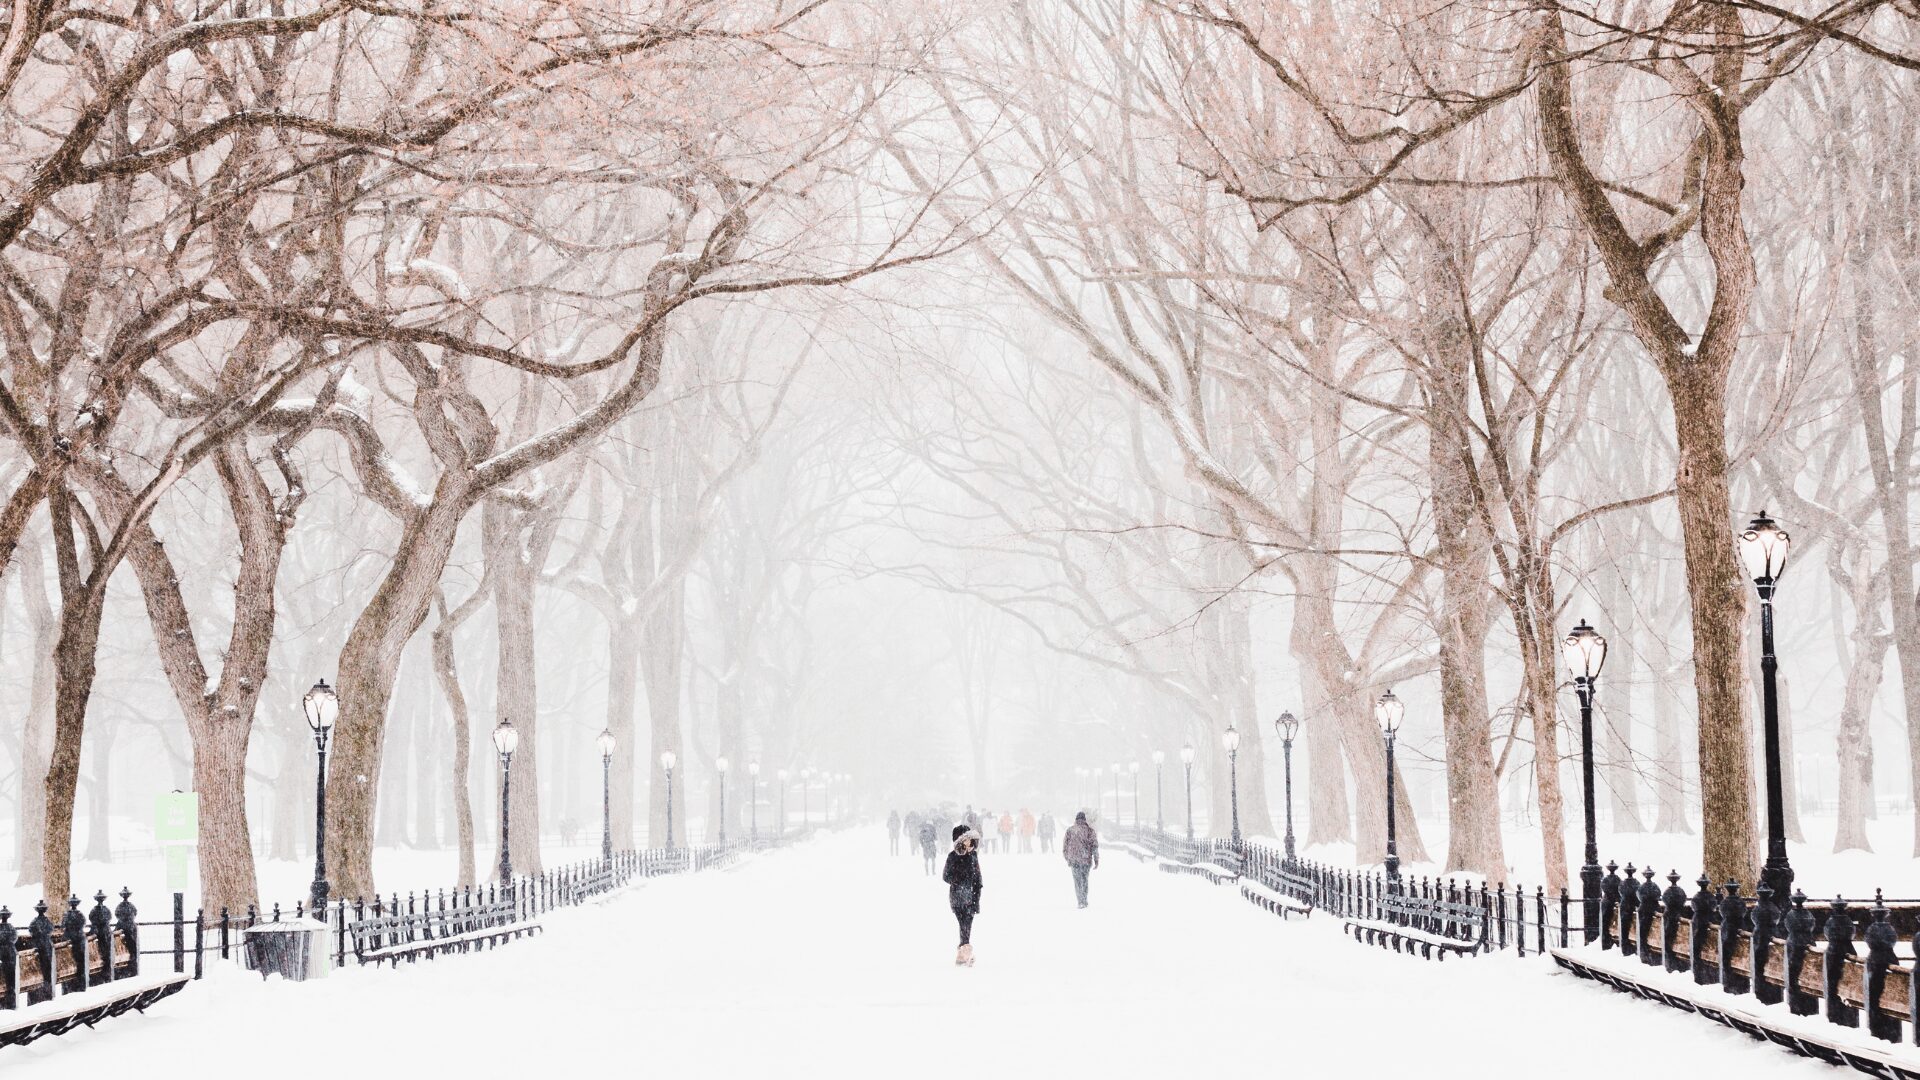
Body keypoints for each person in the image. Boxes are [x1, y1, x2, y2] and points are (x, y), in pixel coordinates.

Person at [943, 825, 984, 965]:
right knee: (964, 924)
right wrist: (960, 879)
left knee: (966, 925)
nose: (969, 841)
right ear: (959, 840)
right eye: (966, 838)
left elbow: (978, 876)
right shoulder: (952, 856)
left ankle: (963, 954)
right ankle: (965, 952)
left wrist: (977, 892)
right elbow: (946, 876)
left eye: (969, 838)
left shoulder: (973, 855)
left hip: (972, 896)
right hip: (958, 896)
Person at [1062, 811, 1099, 909]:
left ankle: (1080, 901)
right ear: (1084, 820)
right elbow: (1094, 846)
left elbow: (1065, 846)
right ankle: (1084, 899)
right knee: (1085, 880)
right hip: (1086, 860)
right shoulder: (1090, 831)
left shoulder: (1070, 830)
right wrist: (1096, 859)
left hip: (1074, 861)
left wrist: (1068, 858)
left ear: (1076, 819)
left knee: (1077, 881)